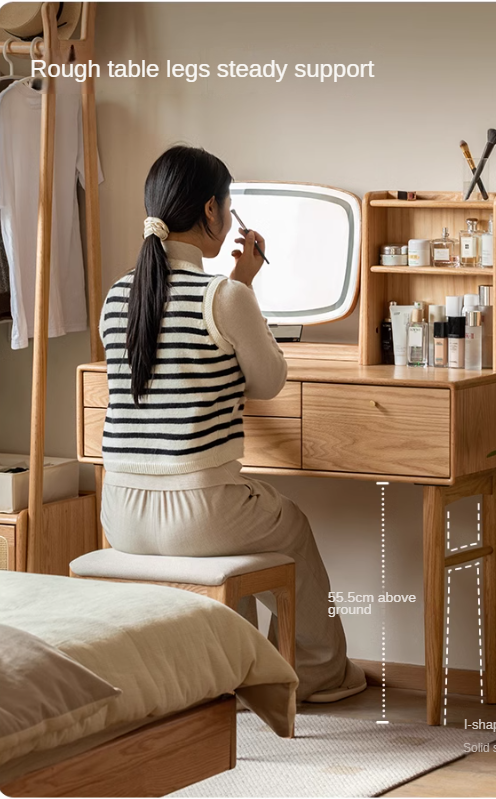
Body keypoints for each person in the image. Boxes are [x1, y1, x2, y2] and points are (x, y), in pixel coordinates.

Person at [99, 145, 366, 703]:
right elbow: (268, 382)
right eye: (227, 204)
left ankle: (236, 669)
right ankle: (316, 674)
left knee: (237, 529)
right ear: (212, 212)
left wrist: (240, 283)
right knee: (291, 527)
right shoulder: (223, 296)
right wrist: (243, 285)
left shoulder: (119, 295)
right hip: (197, 513)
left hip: (120, 511)